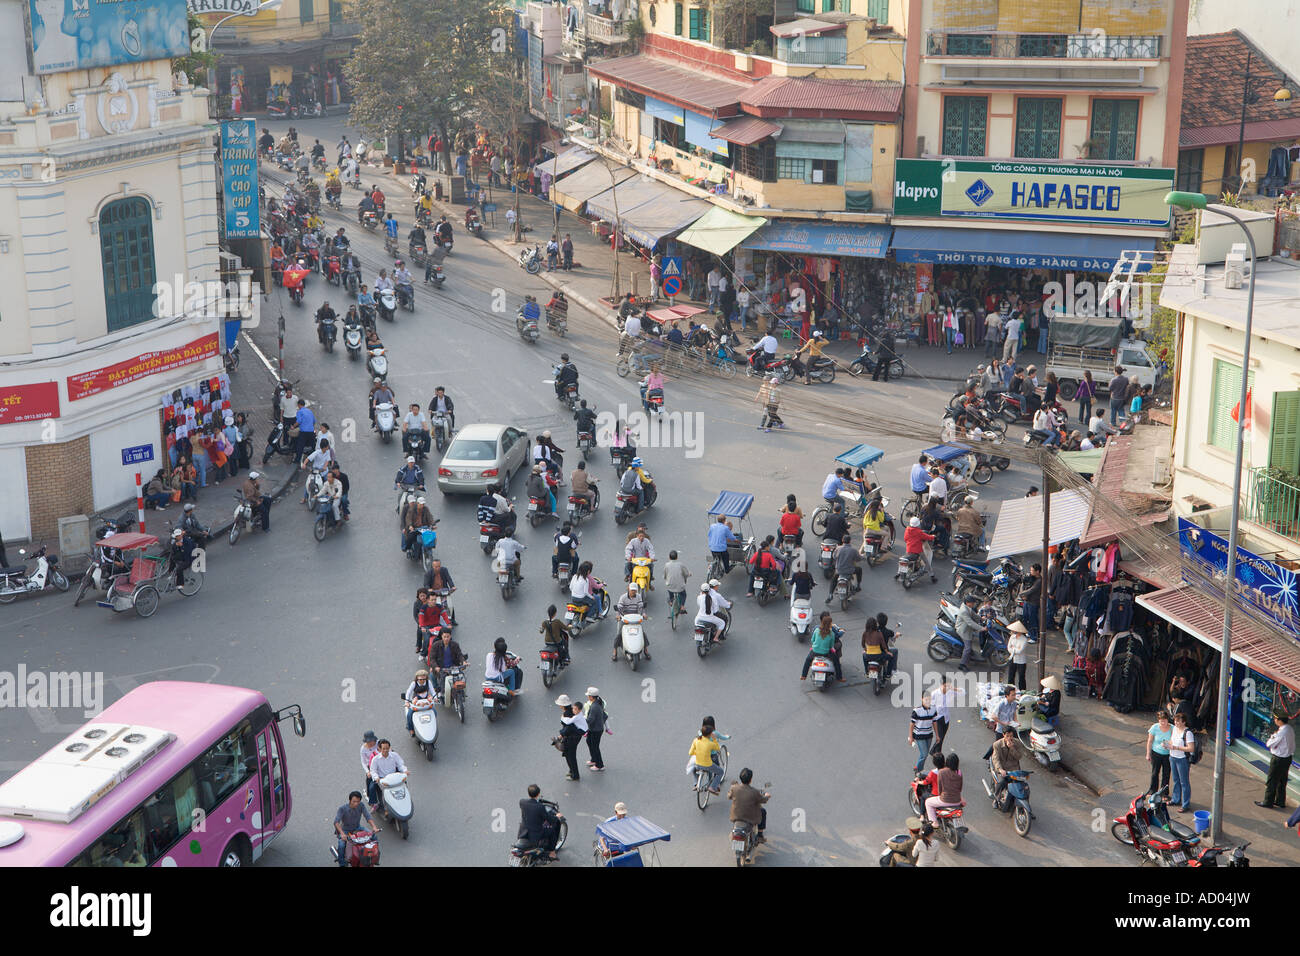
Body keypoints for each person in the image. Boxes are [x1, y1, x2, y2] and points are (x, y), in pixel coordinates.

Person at [1257, 714, 1294, 809]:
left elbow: (1269, 744)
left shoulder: (1281, 732)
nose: (1274, 720)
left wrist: (1273, 735)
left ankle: (1268, 801)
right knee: (1282, 780)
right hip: (1287, 758)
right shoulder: (1290, 729)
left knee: (1272, 780)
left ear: (1280, 720)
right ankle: (1280, 801)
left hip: (1278, 759)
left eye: (1275, 718)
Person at [518, 784, 563, 859]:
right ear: (538, 794)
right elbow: (549, 818)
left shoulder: (522, 802)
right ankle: (552, 852)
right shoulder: (540, 807)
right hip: (536, 834)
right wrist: (556, 817)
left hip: (523, 831)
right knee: (552, 831)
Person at [334, 791, 378, 866]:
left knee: (374, 836)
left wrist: (374, 827)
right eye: (354, 801)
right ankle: (342, 863)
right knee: (341, 845)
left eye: (358, 801)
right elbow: (336, 822)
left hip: (358, 828)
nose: (356, 804)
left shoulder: (361, 805)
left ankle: (374, 857)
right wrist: (342, 834)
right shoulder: (342, 808)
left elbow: (367, 816)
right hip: (345, 831)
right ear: (350, 800)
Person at [728, 768, 770, 844]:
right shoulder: (754, 792)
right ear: (750, 780)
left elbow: (729, 796)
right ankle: (760, 835)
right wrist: (767, 796)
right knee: (763, 812)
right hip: (750, 818)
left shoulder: (734, 788)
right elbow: (763, 800)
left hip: (735, 816)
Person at [612, 582, 651, 662]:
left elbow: (641, 607)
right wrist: (618, 616)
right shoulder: (623, 597)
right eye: (632, 590)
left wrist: (643, 614)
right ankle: (615, 651)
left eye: (635, 590)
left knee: (642, 633)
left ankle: (645, 650)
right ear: (628, 589)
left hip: (635, 618)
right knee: (619, 634)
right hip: (624, 618)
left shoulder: (639, 597)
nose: (633, 592)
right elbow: (619, 608)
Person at [801, 611, 843, 681]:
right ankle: (839, 677)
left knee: (807, 660)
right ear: (830, 624)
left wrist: (816, 645)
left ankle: (803, 676)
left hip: (814, 651)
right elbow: (831, 645)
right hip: (826, 653)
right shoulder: (831, 633)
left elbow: (812, 640)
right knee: (836, 662)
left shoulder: (817, 630)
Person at [989, 726, 1022, 805]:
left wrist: (1012, 748)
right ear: (1003, 735)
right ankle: (996, 799)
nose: (1009, 738)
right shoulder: (997, 745)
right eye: (1007, 736)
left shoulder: (1017, 743)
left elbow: (1019, 756)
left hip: (1014, 769)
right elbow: (995, 759)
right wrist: (1000, 769)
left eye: (1011, 736)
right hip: (1003, 769)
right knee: (1001, 783)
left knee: (1022, 786)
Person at [688, 725, 724, 794]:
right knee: (720, 772)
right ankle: (712, 787)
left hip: (698, 764)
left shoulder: (696, 740)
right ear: (710, 734)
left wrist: (698, 752)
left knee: (694, 769)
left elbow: (690, 752)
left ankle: (696, 783)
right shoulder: (710, 744)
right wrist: (714, 739)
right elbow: (717, 748)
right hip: (707, 765)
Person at [558, 696, 587, 780]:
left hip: (572, 738)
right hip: (575, 737)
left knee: (570, 756)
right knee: (569, 755)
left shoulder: (567, 714)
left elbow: (568, 727)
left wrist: (561, 735)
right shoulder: (572, 711)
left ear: (562, 706)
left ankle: (575, 775)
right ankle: (572, 771)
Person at [908, 692, 938, 773]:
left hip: (929, 735)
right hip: (919, 735)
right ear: (922, 699)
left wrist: (937, 735)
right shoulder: (917, 710)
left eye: (929, 699)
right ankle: (919, 770)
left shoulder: (933, 709)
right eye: (926, 699)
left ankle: (917, 767)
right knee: (924, 754)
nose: (928, 701)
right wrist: (911, 737)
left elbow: (934, 722)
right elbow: (911, 724)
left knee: (924, 754)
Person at [902, 516, 936, 583]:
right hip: (918, 550)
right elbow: (927, 537)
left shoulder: (907, 529)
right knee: (926, 562)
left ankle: (900, 573)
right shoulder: (919, 532)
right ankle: (932, 576)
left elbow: (905, 539)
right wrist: (933, 537)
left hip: (908, 549)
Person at [404, 669, 437, 735]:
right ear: (417, 678)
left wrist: (435, 698)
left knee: (434, 712)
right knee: (409, 714)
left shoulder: (428, 682)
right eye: (420, 679)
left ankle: (433, 726)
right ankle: (411, 729)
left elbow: (433, 691)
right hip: (416, 701)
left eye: (424, 679)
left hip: (426, 701)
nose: (422, 681)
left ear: (426, 678)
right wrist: (407, 701)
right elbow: (408, 692)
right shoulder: (414, 683)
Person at [583, 688, 609, 772]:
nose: (588, 697)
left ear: (591, 697)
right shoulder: (598, 701)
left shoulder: (594, 707)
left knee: (595, 747)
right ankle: (594, 759)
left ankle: (599, 765)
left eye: (588, 696)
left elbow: (590, 720)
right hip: (595, 728)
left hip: (596, 730)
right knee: (589, 741)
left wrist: (582, 720)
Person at [1019, 563, 1043, 643]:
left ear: (1038, 571)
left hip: (1033, 602)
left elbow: (1032, 590)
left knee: (1033, 619)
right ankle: (1029, 632)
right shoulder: (1031, 577)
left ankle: (1034, 637)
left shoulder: (1039, 580)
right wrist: (1023, 594)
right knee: (1026, 617)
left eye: (1032, 570)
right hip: (1027, 601)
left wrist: (1022, 594)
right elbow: (1023, 583)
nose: (1031, 572)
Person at [359, 731, 381, 809]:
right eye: (369, 742)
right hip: (371, 767)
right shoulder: (363, 749)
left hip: (381, 764)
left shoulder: (379, 743)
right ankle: (373, 801)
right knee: (370, 784)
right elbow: (363, 762)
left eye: (372, 741)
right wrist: (367, 772)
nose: (371, 743)